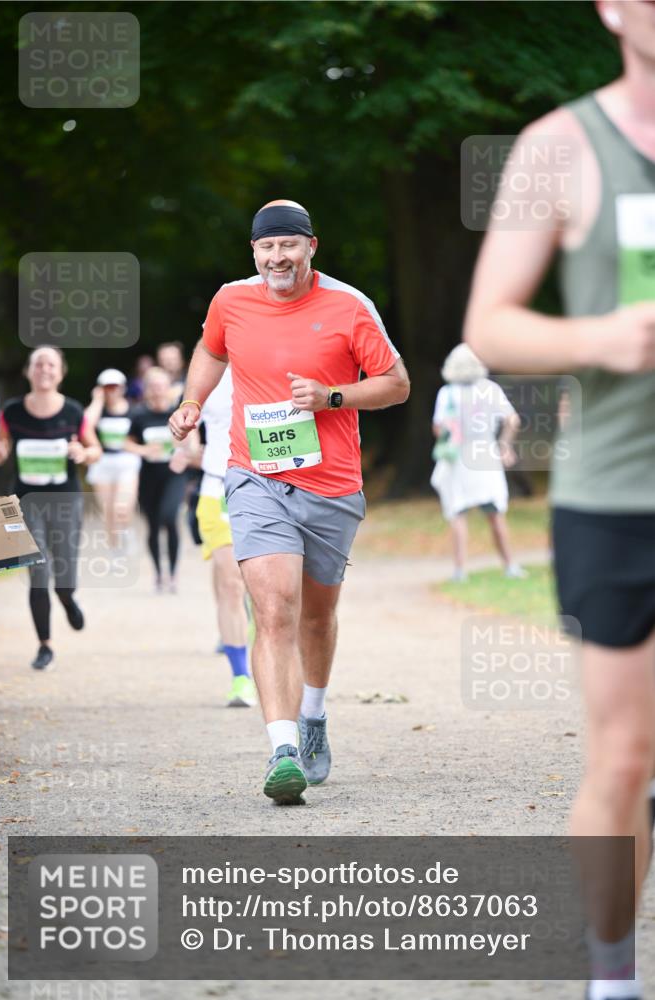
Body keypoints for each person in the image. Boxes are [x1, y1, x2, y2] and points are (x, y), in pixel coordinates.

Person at [463, 4, 655, 998]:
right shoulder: (558, 146)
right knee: (625, 760)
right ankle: (610, 975)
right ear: (612, 9)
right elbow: (488, 325)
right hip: (618, 499)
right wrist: (602, 337)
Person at [170, 199, 409, 804]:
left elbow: (396, 385)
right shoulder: (231, 300)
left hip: (331, 485)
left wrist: (331, 397)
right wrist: (194, 401)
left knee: (315, 617)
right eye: (266, 248)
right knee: (273, 608)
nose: (277, 257)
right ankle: (281, 750)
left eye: (289, 246)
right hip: (254, 477)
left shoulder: (350, 306)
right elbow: (211, 350)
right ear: (254, 252)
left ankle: (314, 716)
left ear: (311, 247)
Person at [0, 345, 101, 670]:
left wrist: (84, 453)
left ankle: (67, 599)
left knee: (63, 577)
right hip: (25, 501)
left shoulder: (73, 412)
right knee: (38, 572)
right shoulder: (11, 412)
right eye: (38, 364)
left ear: (60, 372)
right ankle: (44, 645)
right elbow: (1, 448)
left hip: (65, 499)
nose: (44, 370)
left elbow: (95, 450)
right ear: (28, 371)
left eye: (51, 364)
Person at [171, 365, 257, 708]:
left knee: (262, 585)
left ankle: (257, 638)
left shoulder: (272, 360)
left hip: (265, 487)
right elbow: (188, 421)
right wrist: (190, 446)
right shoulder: (206, 375)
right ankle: (241, 678)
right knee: (231, 582)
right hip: (216, 486)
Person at [430, 343, 525, 582]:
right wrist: (504, 445)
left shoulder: (447, 393)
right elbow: (513, 420)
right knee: (495, 513)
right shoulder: (490, 389)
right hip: (485, 455)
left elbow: (438, 428)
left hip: (458, 457)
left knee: (458, 513)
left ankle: (461, 570)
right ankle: (510, 565)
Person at [124, 367, 186, 593]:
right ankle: (159, 574)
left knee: (169, 518)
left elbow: (192, 437)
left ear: (168, 388)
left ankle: (173, 573)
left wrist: (184, 452)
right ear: (147, 390)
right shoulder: (139, 415)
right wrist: (143, 450)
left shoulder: (177, 413)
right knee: (152, 525)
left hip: (174, 474)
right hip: (149, 477)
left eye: (162, 386)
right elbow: (126, 443)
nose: (158, 391)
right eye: (153, 386)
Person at [84, 368, 140, 557]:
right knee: (107, 510)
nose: (111, 391)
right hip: (103, 461)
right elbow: (86, 425)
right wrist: (97, 401)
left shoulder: (133, 410)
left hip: (126, 460)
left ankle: (126, 533)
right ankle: (114, 548)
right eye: (107, 387)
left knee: (121, 507)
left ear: (122, 388)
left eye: (115, 387)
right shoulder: (98, 411)